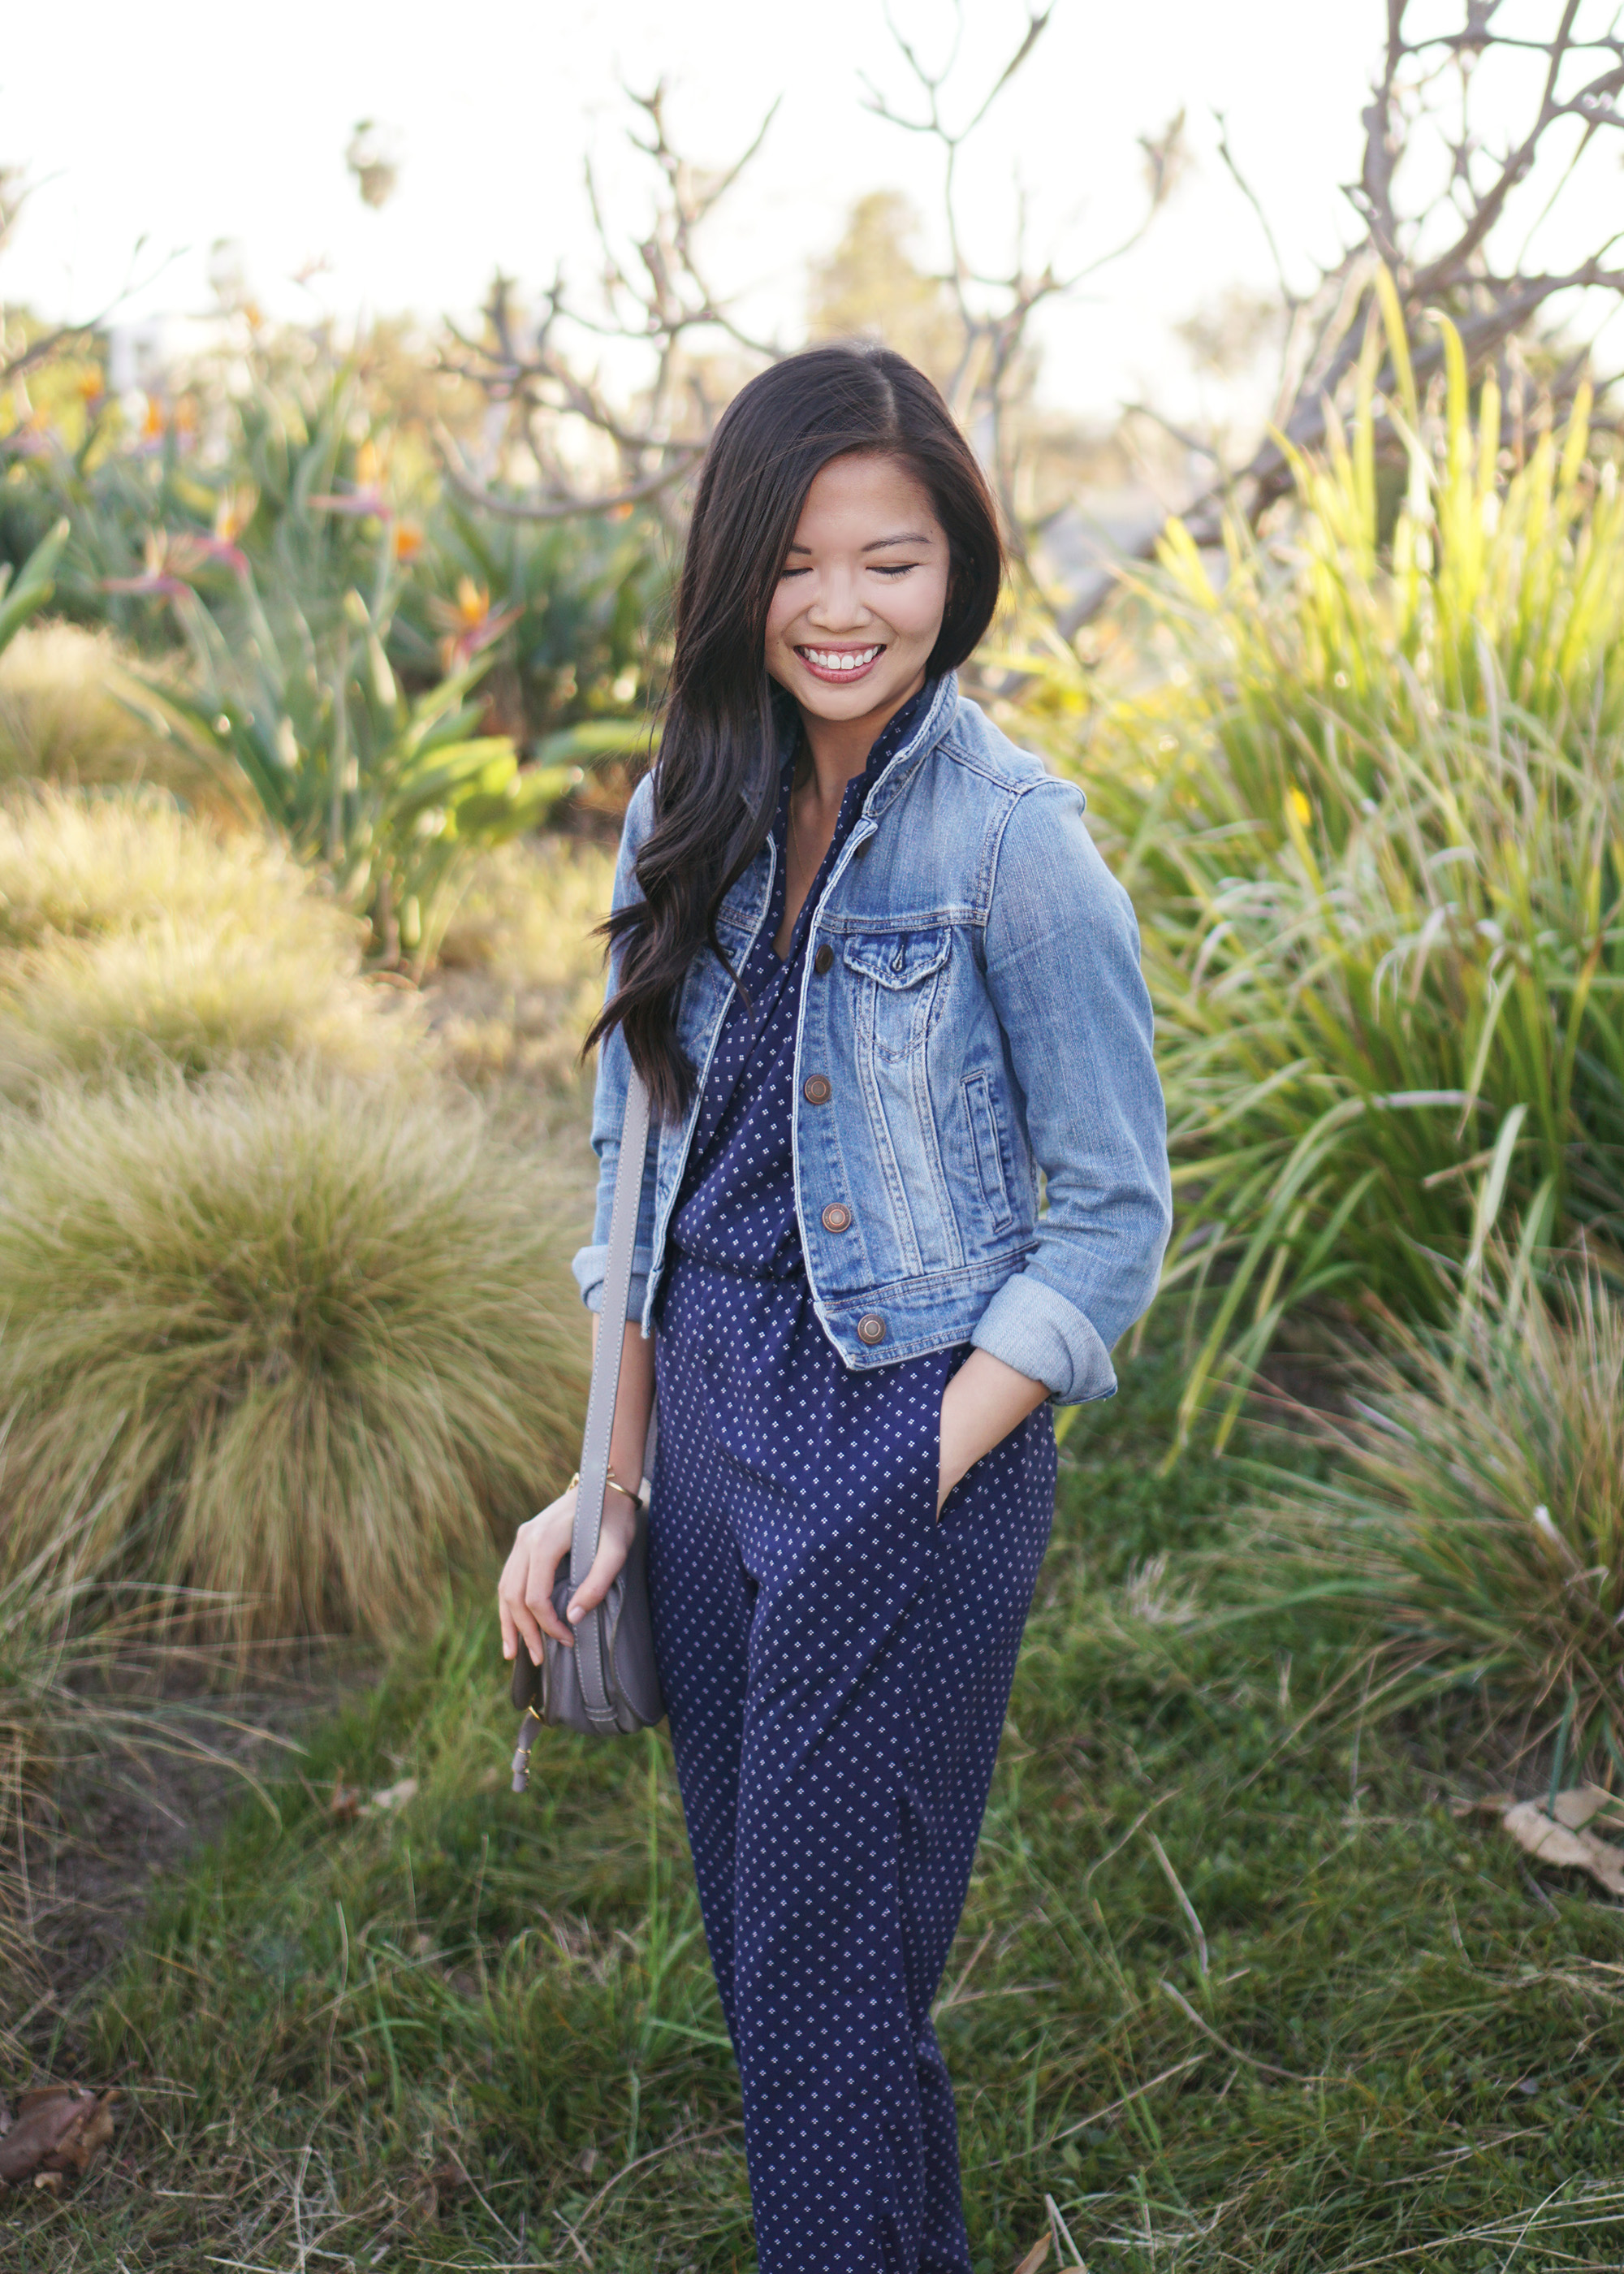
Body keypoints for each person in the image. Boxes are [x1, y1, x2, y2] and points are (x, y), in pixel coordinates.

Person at [498, 342, 1171, 2274]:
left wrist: (916, 1459)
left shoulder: (1014, 844)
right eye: (801, 561)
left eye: (892, 560)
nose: (844, 608)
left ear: (954, 561)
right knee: (796, 1969)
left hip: (911, 1439)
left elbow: (1112, 1218)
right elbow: (638, 1187)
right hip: (705, 1427)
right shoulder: (682, 811)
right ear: (738, 573)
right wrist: (597, 1477)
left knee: (819, 1972)